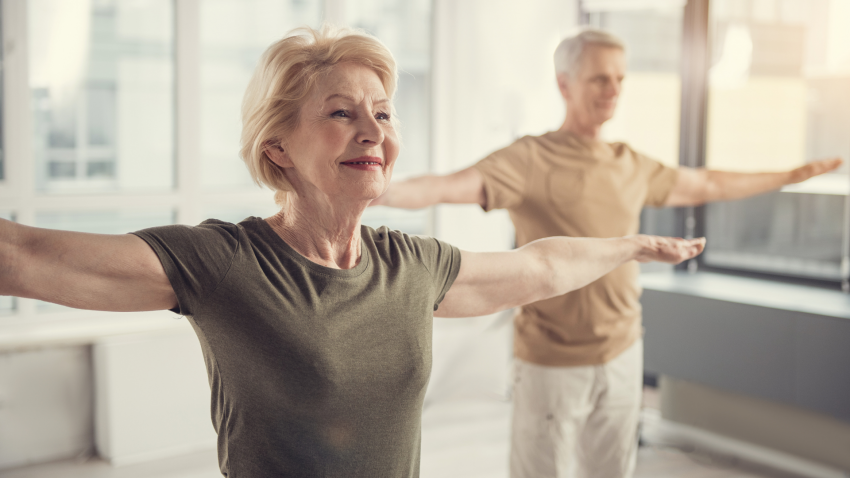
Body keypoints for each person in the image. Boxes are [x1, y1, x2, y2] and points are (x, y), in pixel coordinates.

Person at [0, 26, 704, 478]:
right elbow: (25, 255)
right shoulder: (227, 262)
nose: (373, 130)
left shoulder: (411, 268)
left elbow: (540, 267)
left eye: (384, 113)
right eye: (342, 112)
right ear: (278, 147)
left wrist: (633, 244)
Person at [371, 28, 843, 478]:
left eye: (619, 78)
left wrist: (790, 175)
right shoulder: (530, 158)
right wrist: (378, 189)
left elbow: (708, 182)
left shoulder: (629, 162)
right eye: (599, 78)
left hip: (622, 351)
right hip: (551, 362)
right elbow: (447, 185)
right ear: (565, 84)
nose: (612, 89)